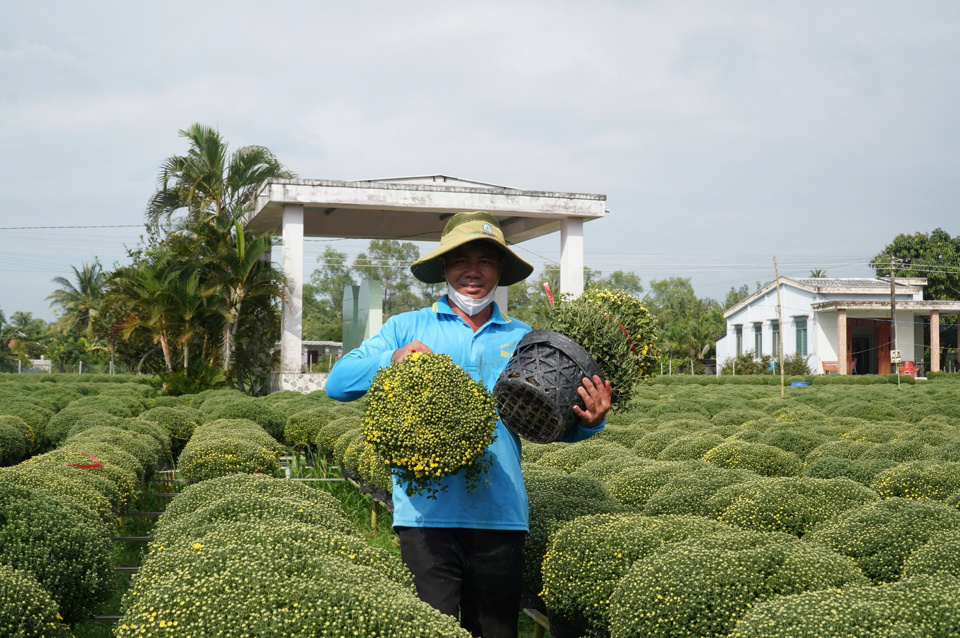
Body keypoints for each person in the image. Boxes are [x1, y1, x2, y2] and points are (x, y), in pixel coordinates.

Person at [325, 211, 612, 638]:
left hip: (500, 515)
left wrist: (589, 422)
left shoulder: (524, 339)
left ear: (500, 271)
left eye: (486, 261)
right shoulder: (407, 327)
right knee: (429, 630)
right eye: (461, 260)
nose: (473, 271)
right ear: (444, 267)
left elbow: (547, 425)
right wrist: (393, 358)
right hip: (425, 517)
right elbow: (338, 383)